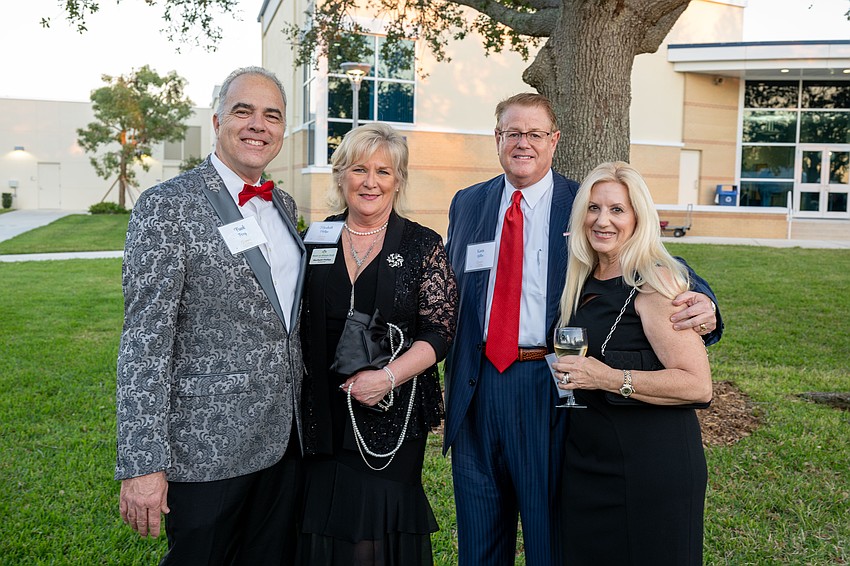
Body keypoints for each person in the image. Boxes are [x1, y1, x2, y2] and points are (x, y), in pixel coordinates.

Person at [442, 93, 723, 565]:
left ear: (554, 141)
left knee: (549, 533)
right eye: (513, 133)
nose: (523, 143)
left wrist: (707, 304)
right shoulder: (468, 203)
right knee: (478, 534)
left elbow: (653, 261)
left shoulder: (586, 203)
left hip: (547, 385)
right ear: (497, 139)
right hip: (476, 386)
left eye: (535, 134)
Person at [115, 67, 305, 564]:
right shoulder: (167, 206)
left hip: (285, 442)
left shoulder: (282, 203)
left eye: (272, 116)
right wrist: (142, 463)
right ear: (218, 119)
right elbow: (144, 341)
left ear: (283, 131)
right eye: (244, 111)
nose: (258, 125)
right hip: (206, 447)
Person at [297, 123, 458, 566]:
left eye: (383, 172)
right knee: (324, 529)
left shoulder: (422, 244)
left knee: (372, 535)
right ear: (341, 175)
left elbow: (441, 330)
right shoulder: (316, 239)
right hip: (322, 412)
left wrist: (387, 377)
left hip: (392, 411)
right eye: (359, 169)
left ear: (398, 180)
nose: (371, 182)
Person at [552, 161, 713, 564]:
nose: (602, 220)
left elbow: (697, 385)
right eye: (593, 208)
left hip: (651, 470)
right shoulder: (582, 279)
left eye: (617, 210)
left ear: (639, 218)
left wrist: (607, 377)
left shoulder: (656, 282)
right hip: (589, 464)